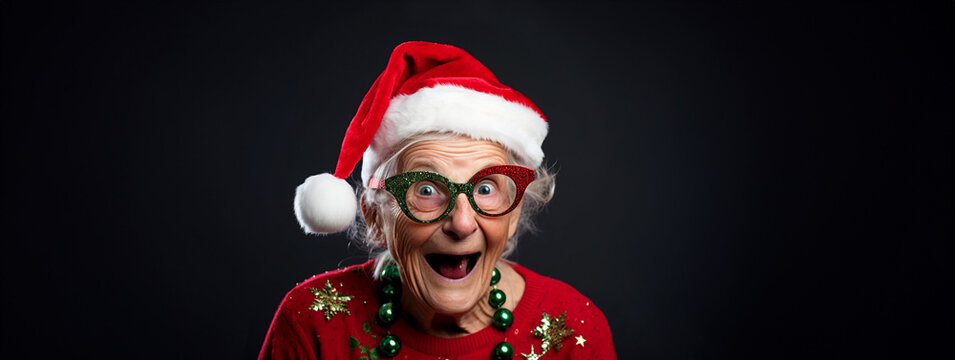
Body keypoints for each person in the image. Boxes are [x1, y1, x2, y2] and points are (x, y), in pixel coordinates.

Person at [259, 41, 616, 360]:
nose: (461, 223)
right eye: (426, 189)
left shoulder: (572, 332)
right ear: (374, 216)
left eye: (485, 189)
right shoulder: (312, 323)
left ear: (514, 212)